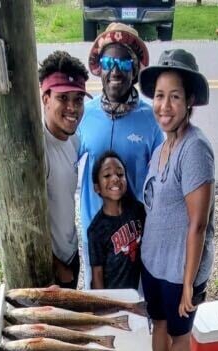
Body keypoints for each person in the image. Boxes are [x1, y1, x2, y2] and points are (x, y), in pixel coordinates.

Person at [139, 50, 215, 351]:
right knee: (159, 324)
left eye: (175, 96)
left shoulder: (195, 147)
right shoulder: (162, 147)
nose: (164, 105)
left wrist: (188, 284)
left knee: (179, 331)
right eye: (159, 95)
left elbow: (198, 223)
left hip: (180, 269)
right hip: (156, 263)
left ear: (190, 103)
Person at [78, 23, 162, 286]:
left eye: (124, 64)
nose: (115, 71)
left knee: (136, 310)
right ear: (99, 68)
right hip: (96, 233)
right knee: (98, 308)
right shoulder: (84, 115)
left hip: (135, 236)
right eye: (108, 62)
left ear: (135, 70)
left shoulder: (152, 120)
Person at [38, 51, 90, 288]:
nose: (72, 108)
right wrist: (57, 266)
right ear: (45, 98)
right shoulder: (37, 152)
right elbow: (25, 221)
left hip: (71, 252)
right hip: (50, 266)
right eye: (63, 98)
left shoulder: (73, 140)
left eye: (78, 100)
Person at [88, 151, 145, 291]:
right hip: (112, 298)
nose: (115, 179)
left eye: (120, 174)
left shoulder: (138, 210)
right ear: (97, 187)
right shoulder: (96, 229)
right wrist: (103, 308)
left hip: (136, 293)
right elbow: (97, 274)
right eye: (107, 175)